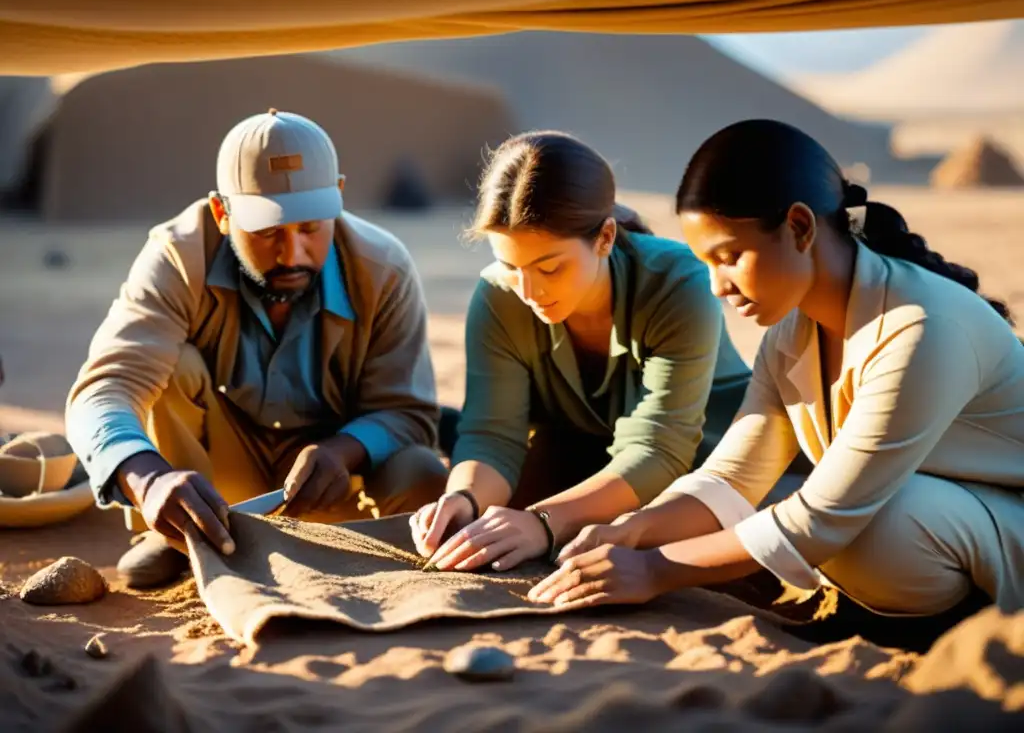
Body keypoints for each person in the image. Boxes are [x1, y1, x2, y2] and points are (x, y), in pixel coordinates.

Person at [528, 119, 1024, 618]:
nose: (718, 286)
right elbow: (732, 477)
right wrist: (631, 528)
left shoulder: (918, 327)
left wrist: (654, 568)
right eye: (706, 263)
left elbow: (824, 519)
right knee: (804, 509)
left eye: (730, 257)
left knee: (874, 529)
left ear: (800, 228)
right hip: (944, 518)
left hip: (1005, 523)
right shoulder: (791, 334)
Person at [66, 109, 448, 587]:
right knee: (172, 369)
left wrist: (344, 451)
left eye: (310, 228)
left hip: (333, 485)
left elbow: (407, 411)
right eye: (267, 232)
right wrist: (150, 480)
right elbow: (104, 390)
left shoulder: (383, 267)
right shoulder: (178, 256)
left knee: (420, 471)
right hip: (211, 479)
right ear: (223, 214)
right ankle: (183, 532)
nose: (292, 254)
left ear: (339, 198)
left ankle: (345, 544)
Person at [409, 130, 753, 572]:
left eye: (549, 267)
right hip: (578, 466)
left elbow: (660, 449)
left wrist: (543, 522)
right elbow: (493, 435)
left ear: (605, 238)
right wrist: (465, 497)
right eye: (511, 266)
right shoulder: (500, 295)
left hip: (702, 480)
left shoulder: (678, 282)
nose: (529, 291)